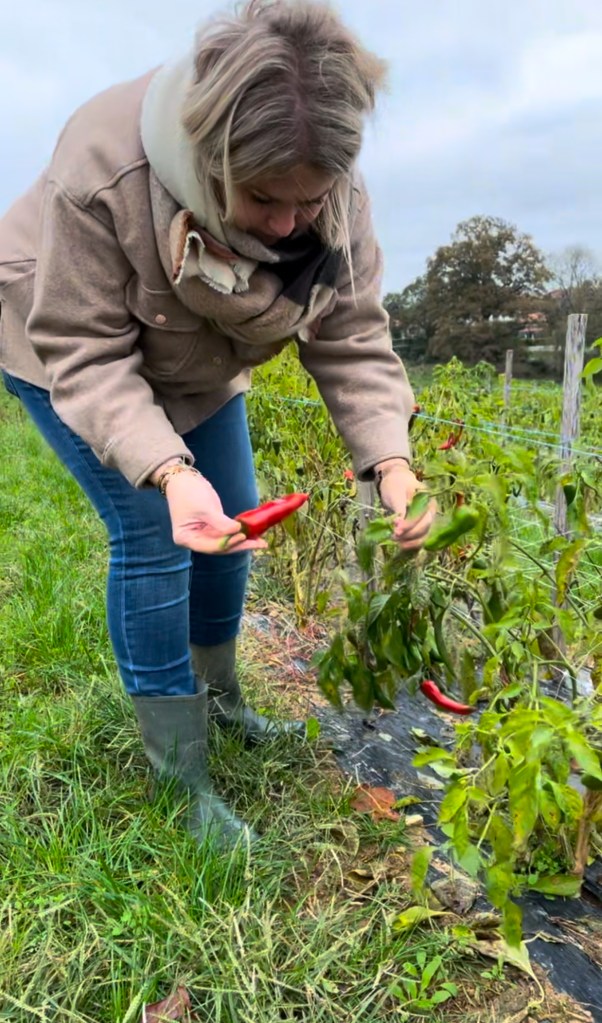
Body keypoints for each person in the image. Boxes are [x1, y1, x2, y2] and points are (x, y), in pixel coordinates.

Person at [0, 0, 435, 847]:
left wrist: (391, 461)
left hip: (196, 361)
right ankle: (180, 777)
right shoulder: (103, 170)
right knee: (157, 532)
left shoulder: (331, 197)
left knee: (233, 510)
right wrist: (166, 469)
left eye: (307, 203)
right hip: (61, 345)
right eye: (266, 199)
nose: (286, 223)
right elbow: (85, 349)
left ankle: (222, 696)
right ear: (209, 157)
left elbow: (349, 335)